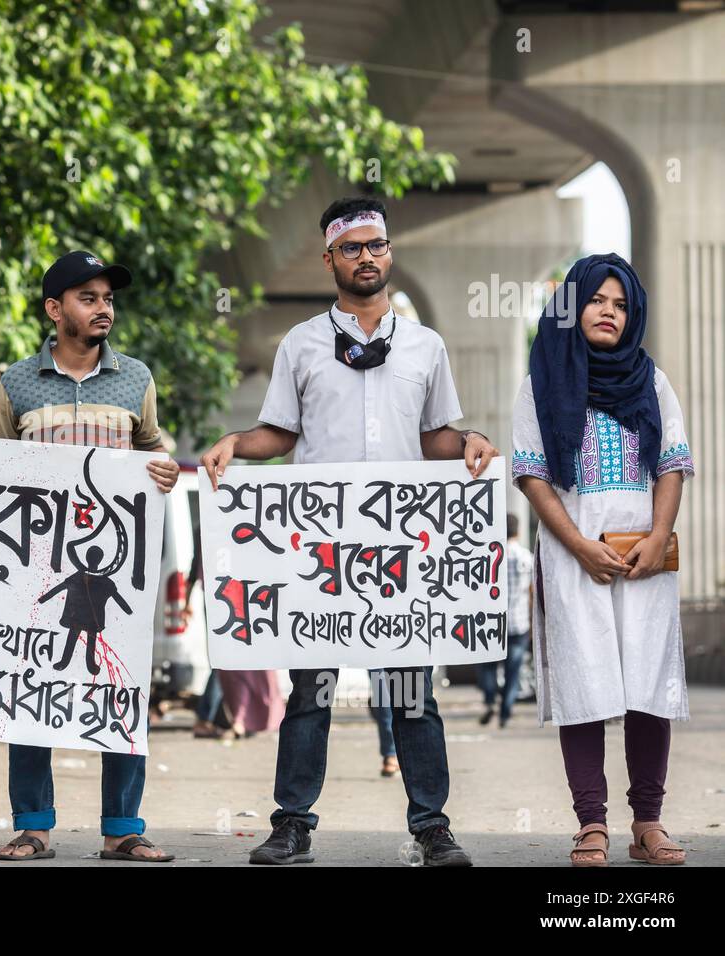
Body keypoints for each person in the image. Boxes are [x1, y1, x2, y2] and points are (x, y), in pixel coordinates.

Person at [200, 197, 498, 867]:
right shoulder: (301, 343)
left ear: (390, 254)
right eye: (353, 247)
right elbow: (280, 433)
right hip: (321, 555)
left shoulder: (426, 345)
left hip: (401, 551)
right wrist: (233, 445)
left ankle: (432, 828)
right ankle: (292, 823)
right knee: (309, 693)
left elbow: (435, 436)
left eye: (377, 245)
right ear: (329, 257)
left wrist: (472, 439)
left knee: (412, 694)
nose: (368, 256)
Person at [0, 250, 180, 862]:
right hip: (35, 572)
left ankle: (123, 829)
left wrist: (163, 473)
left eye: (108, 298)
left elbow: (156, 455)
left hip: (114, 572)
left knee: (120, 685)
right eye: (88, 298)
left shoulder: (136, 378)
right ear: (55, 310)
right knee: (31, 684)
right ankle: (33, 825)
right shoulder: (17, 383)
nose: (103, 307)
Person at [512, 252, 692, 867]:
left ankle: (648, 822)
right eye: (597, 301)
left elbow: (672, 463)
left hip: (644, 553)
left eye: (620, 304)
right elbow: (533, 476)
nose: (609, 312)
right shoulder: (540, 382)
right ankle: (592, 825)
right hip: (573, 553)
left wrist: (657, 532)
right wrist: (579, 546)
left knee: (647, 685)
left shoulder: (652, 380)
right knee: (583, 685)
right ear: (573, 305)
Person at [476, 513, 533, 729]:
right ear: (518, 532)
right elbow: (531, 591)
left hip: (490, 622)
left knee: (488, 665)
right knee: (513, 669)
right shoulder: (526, 557)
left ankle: (490, 700)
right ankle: (506, 712)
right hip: (518, 622)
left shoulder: (488, 555)